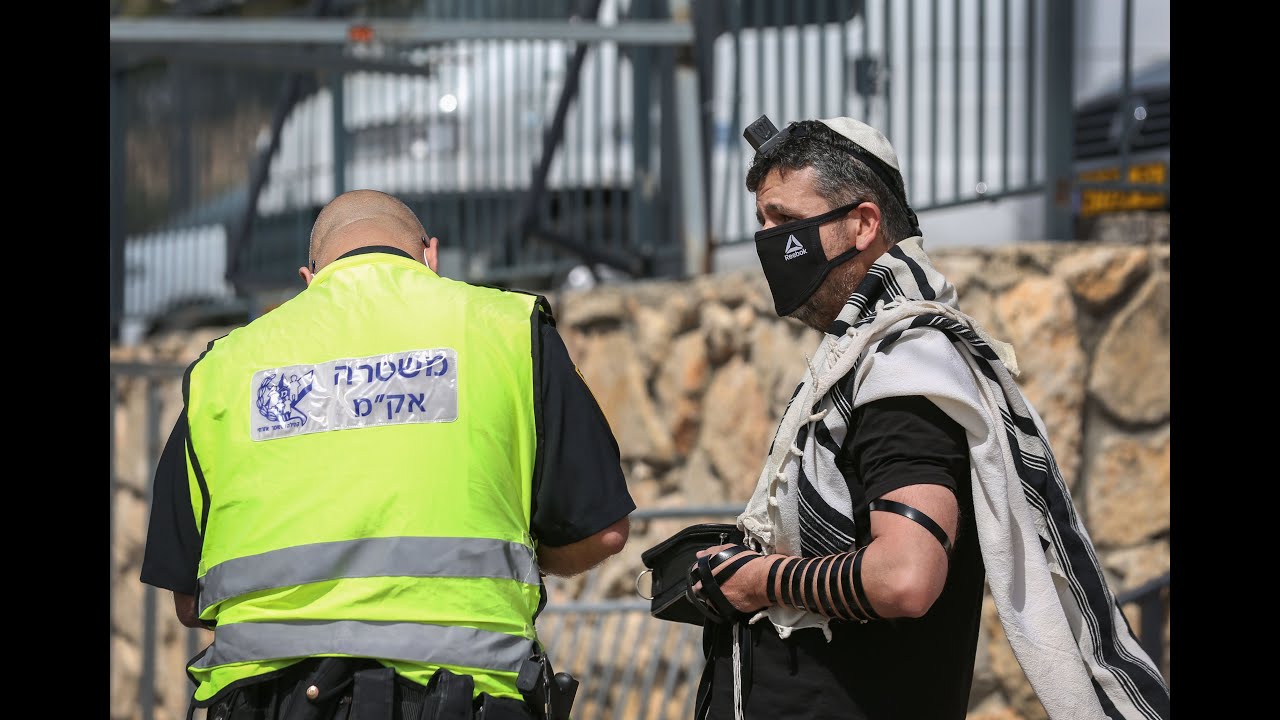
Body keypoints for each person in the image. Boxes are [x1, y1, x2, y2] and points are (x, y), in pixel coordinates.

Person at [684, 117, 1171, 719]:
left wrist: (758, 580)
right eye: (761, 220)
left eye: (783, 219)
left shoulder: (903, 368)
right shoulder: (865, 360)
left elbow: (904, 576)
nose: (767, 240)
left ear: (863, 225)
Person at [139, 188, 636, 720]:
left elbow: (189, 598)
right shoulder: (510, 330)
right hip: (464, 695)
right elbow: (601, 530)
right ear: (431, 257)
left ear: (309, 280)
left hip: (265, 702)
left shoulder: (223, 368)